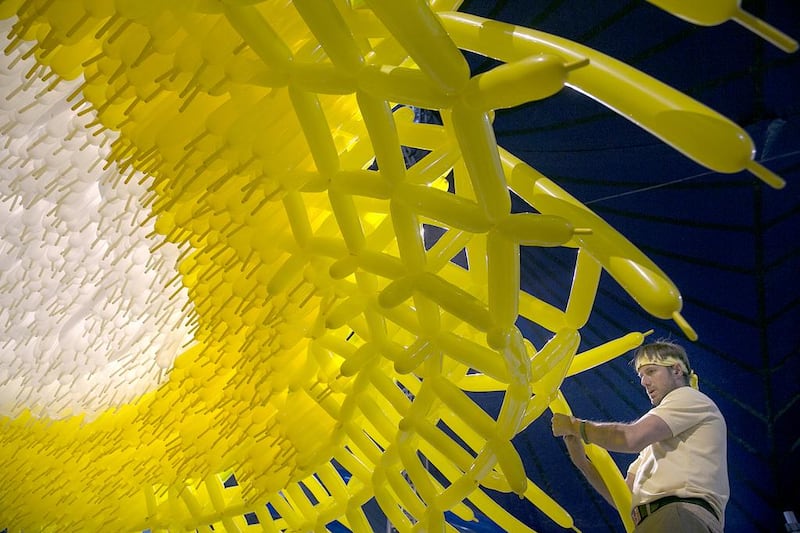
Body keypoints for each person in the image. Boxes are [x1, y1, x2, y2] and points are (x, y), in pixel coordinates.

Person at [551, 340, 729, 532]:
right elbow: (623, 495)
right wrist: (582, 463)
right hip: (661, 519)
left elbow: (631, 438)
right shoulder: (659, 442)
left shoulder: (688, 398)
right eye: (641, 375)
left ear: (677, 370)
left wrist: (575, 426)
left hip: (678, 515)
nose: (644, 382)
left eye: (651, 371)